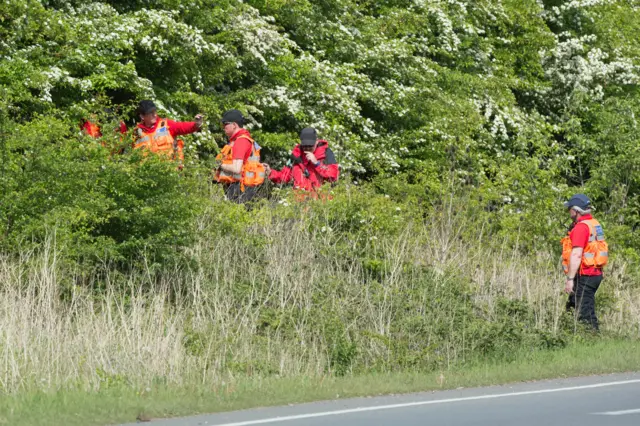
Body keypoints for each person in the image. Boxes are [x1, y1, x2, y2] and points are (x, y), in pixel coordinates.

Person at [561, 194, 609, 331]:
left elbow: (576, 255)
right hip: (595, 273)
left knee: (584, 311)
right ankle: (569, 334)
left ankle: (592, 338)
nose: (568, 211)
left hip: (586, 275)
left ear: (576, 210)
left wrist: (570, 279)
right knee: (573, 305)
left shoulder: (581, 228)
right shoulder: (594, 223)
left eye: (569, 208)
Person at [263, 127, 339, 200]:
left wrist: (316, 163)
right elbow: (285, 176)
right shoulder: (296, 155)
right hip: (299, 204)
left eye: (310, 146)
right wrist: (270, 173)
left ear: (317, 141)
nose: (307, 148)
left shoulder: (326, 153)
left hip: (320, 204)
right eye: (305, 146)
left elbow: (333, 175)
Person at [214, 109, 265, 203]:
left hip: (239, 191)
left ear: (234, 125)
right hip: (241, 189)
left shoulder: (241, 141)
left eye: (225, 124)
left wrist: (219, 165)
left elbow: (237, 168)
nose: (223, 127)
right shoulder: (239, 140)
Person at [133, 100, 203, 165]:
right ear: (142, 116)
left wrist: (195, 125)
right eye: (151, 113)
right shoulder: (136, 133)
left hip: (168, 173)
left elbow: (182, 126)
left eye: (155, 111)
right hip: (145, 175)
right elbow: (127, 151)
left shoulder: (166, 125)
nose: (155, 115)